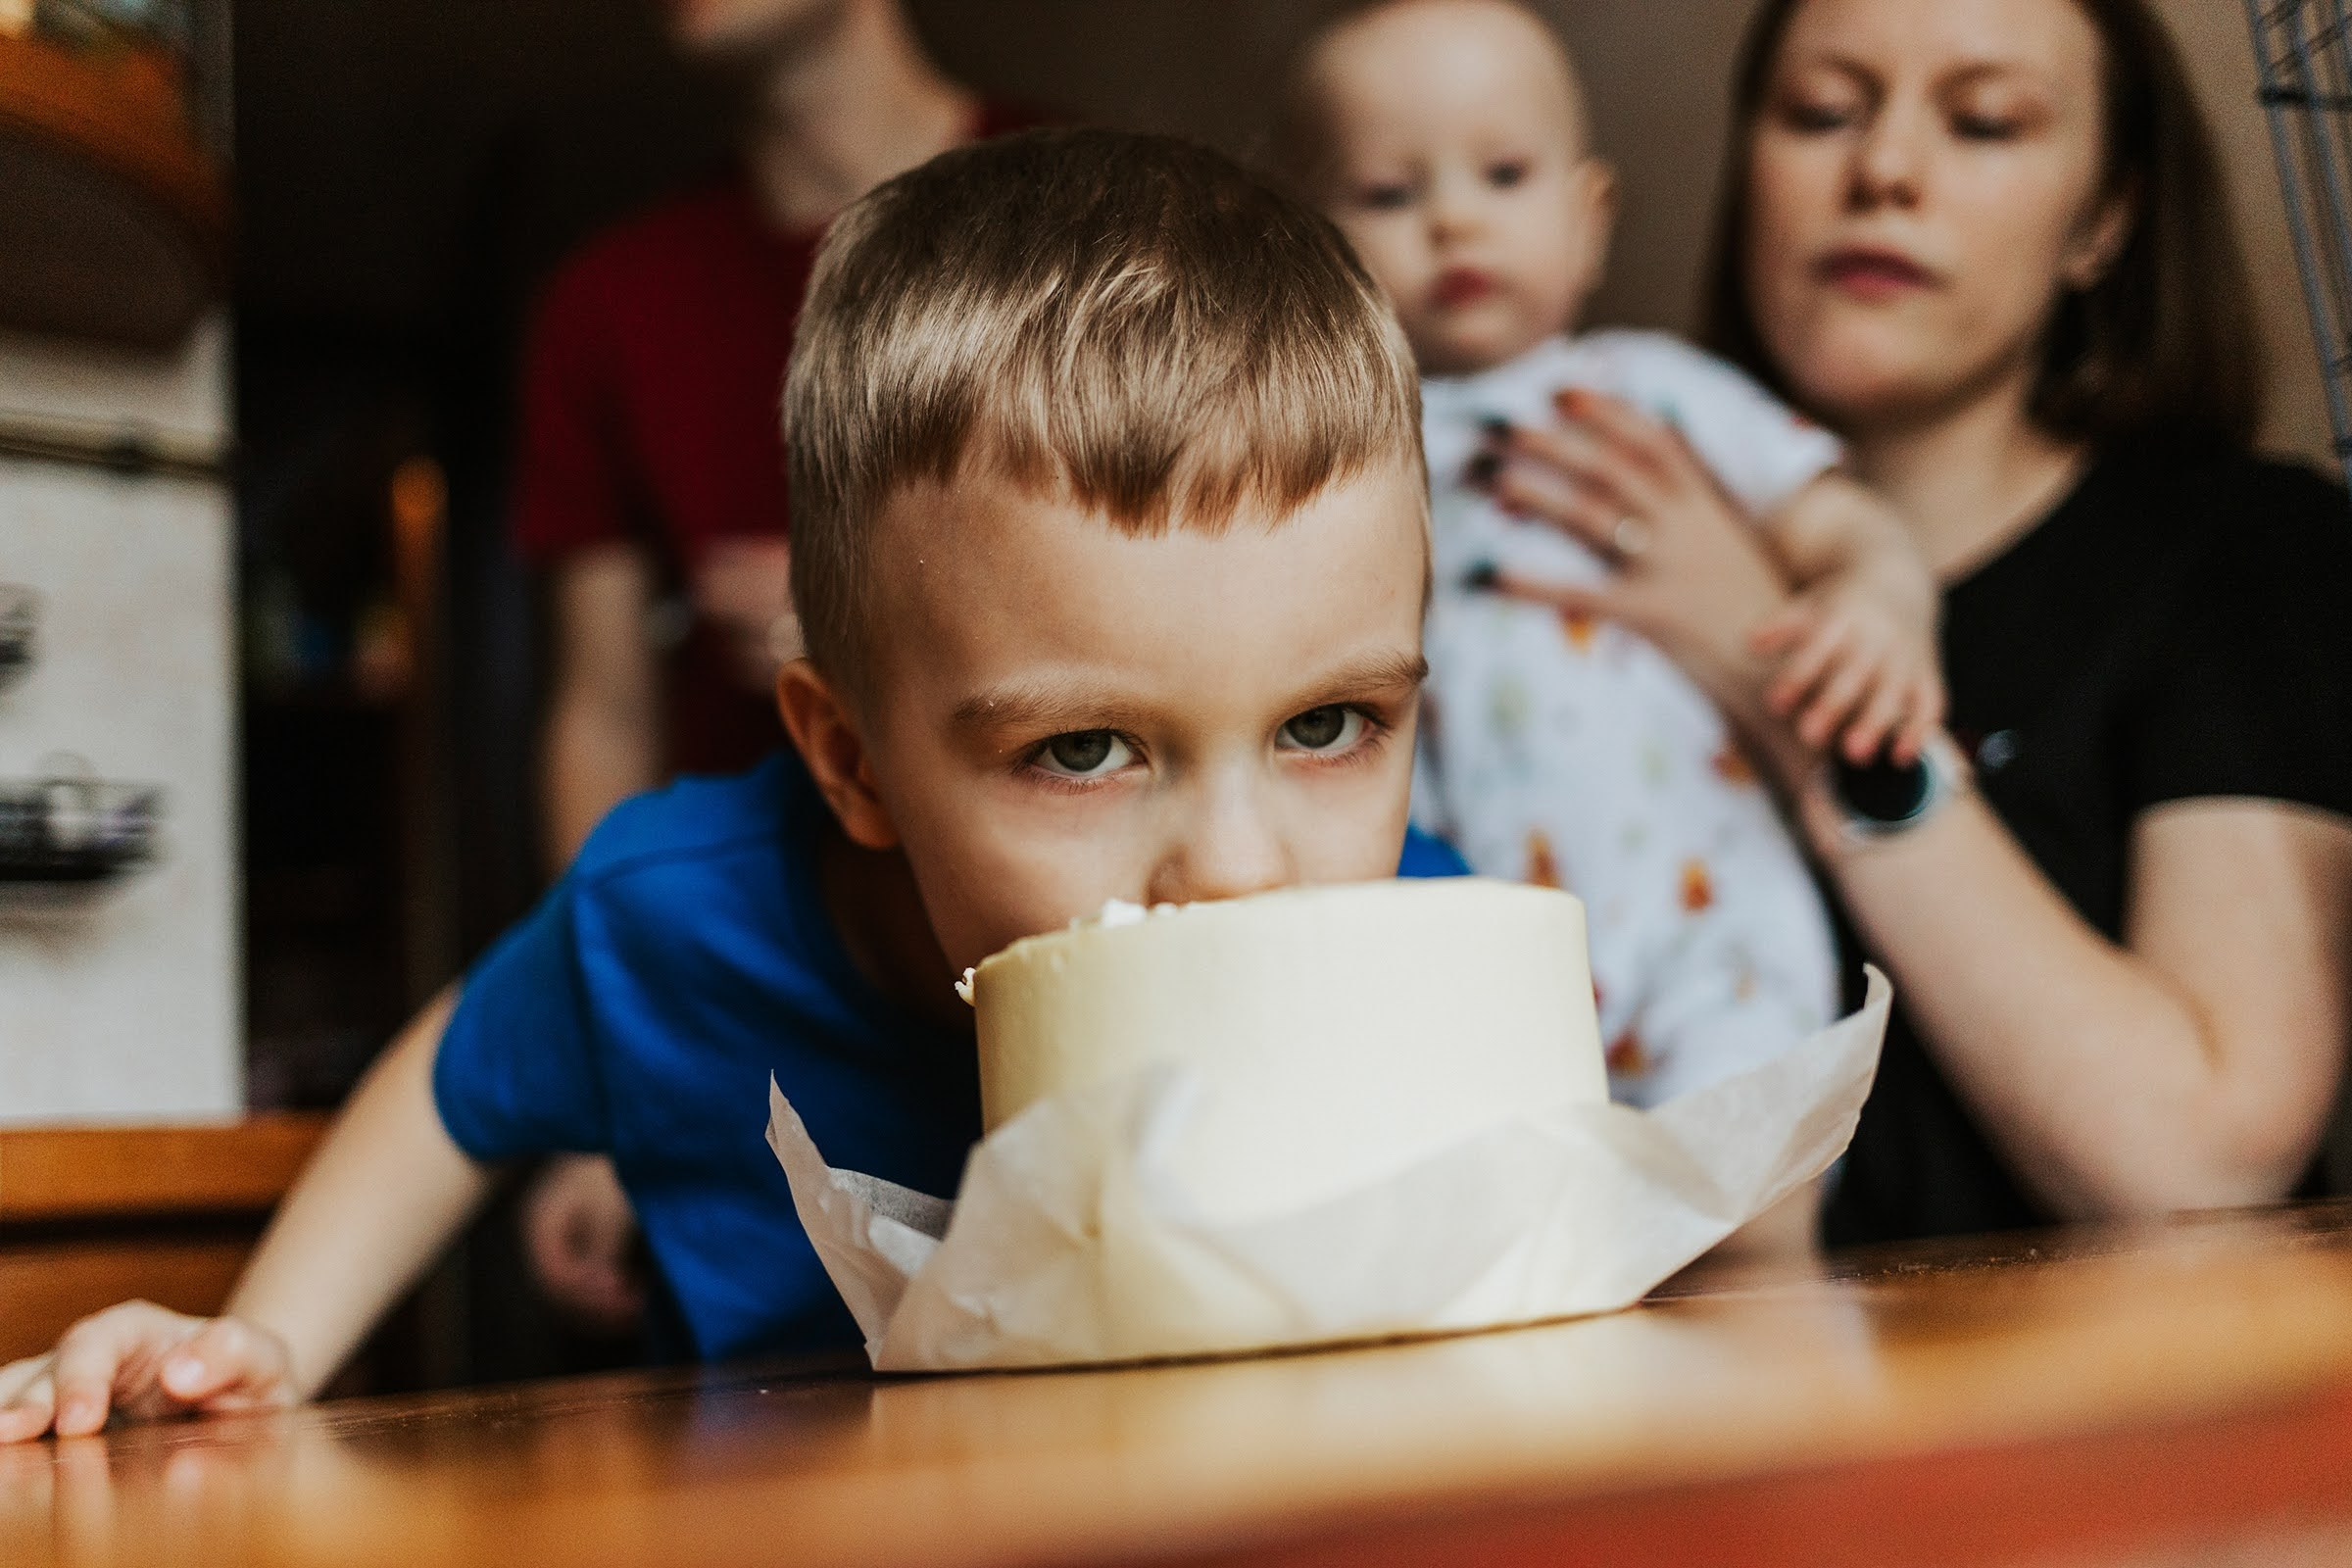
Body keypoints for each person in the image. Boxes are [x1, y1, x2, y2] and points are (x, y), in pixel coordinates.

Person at [0, 127, 1461, 1439]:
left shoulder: (1433, 942)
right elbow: (448, 1092)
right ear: (850, 759)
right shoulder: (677, 919)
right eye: (1082, 750)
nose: (1239, 868)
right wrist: (267, 1339)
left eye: (1330, 725)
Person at [1474, 0, 2352, 1242]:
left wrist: (1766, 656)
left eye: (1984, 121)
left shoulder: (2245, 551)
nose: (1882, 169)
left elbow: (2201, 1156)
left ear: (2104, 220)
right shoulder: (1561, 525)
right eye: (1822, 112)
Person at [1277, 0, 1940, 1108]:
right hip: (1480, 951)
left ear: (1589, 221)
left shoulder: (1650, 388)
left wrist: (1881, 601)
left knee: (1749, 1183)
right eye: (1392, 192)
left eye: (1502, 173)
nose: (1453, 221)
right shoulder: (1345, 452)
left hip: (1708, 920)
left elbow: (1840, 520)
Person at [515, 0, 1030, 1327]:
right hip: (756, 1003)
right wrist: (604, 1096)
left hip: (1028, 956)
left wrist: (887, 614)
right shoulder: (608, 303)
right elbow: (601, 712)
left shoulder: (1072, 208)